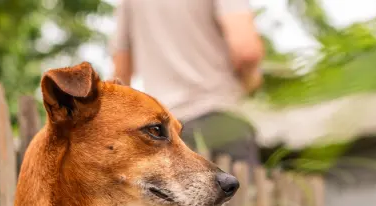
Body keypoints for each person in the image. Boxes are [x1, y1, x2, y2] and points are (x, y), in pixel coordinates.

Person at [111, 0, 265, 166]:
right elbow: (246, 51)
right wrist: (251, 82)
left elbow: (121, 75)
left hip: (163, 132)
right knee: (243, 190)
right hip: (221, 118)